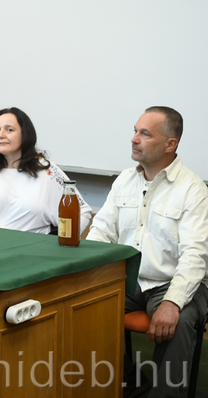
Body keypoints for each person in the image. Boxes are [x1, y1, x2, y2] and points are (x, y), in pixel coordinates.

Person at [87, 107, 208, 398]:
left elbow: (194, 257)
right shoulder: (124, 180)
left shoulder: (193, 189)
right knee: (81, 306)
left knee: (178, 321)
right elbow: (101, 234)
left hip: (173, 281)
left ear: (170, 144)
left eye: (145, 134)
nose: (134, 139)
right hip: (129, 279)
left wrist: (172, 302)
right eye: (135, 131)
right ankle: (130, 381)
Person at [0, 107, 92, 234]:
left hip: (35, 245)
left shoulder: (47, 170)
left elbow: (83, 211)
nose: (1, 135)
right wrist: (9, 237)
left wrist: (66, 241)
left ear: (25, 134)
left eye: (9, 130)